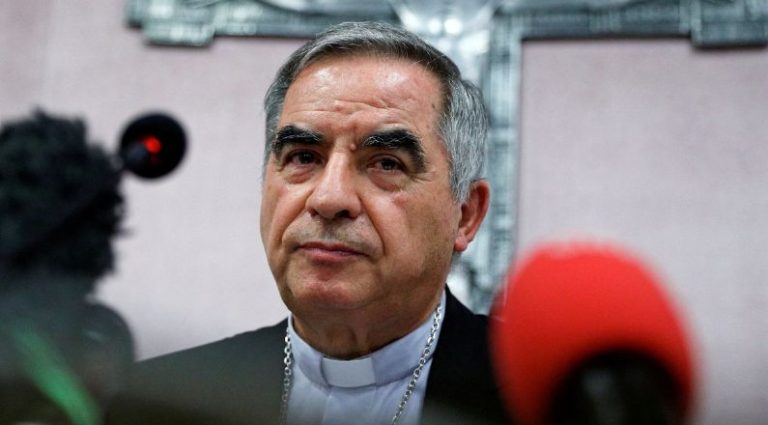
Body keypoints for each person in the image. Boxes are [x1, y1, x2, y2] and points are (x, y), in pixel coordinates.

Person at [109, 21, 509, 425]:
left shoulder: (534, 399)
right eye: (303, 157)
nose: (329, 199)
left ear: (466, 215)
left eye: (387, 164)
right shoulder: (155, 403)